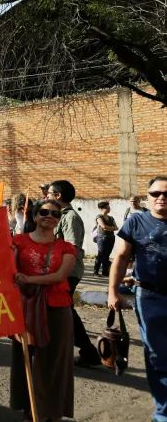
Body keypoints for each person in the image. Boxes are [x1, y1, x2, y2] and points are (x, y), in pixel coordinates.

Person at [10, 199, 77, 422]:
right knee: (28, 361)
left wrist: (28, 278)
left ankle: (52, 412)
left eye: (55, 214)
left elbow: (59, 277)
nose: (49, 216)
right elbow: (9, 271)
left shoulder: (66, 247)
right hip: (26, 308)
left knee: (56, 363)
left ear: (59, 220)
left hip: (58, 310)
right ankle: (32, 411)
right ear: (35, 216)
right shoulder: (17, 242)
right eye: (44, 212)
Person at [108, 176, 167, 422]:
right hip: (150, 297)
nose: (161, 197)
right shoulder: (136, 221)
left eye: (166, 193)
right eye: (155, 193)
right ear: (147, 196)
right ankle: (163, 413)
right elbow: (121, 257)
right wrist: (113, 292)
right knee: (157, 356)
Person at [47, 180, 100, 367]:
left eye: (49, 193)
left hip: (67, 272)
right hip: (61, 271)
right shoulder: (59, 215)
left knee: (64, 311)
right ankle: (87, 351)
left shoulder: (69, 217)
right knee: (63, 310)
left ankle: (87, 351)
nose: (46, 196)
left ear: (58, 196)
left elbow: (72, 248)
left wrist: (59, 272)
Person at [94, 201, 118, 276]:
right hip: (102, 238)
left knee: (107, 255)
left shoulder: (111, 218)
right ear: (101, 208)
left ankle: (105, 272)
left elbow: (116, 228)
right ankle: (96, 272)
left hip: (111, 237)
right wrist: (111, 228)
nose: (108, 209)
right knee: (101, 254)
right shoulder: (99, 217)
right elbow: (103, 226)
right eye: (106, 207)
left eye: (109, 207)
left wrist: (108, 228)